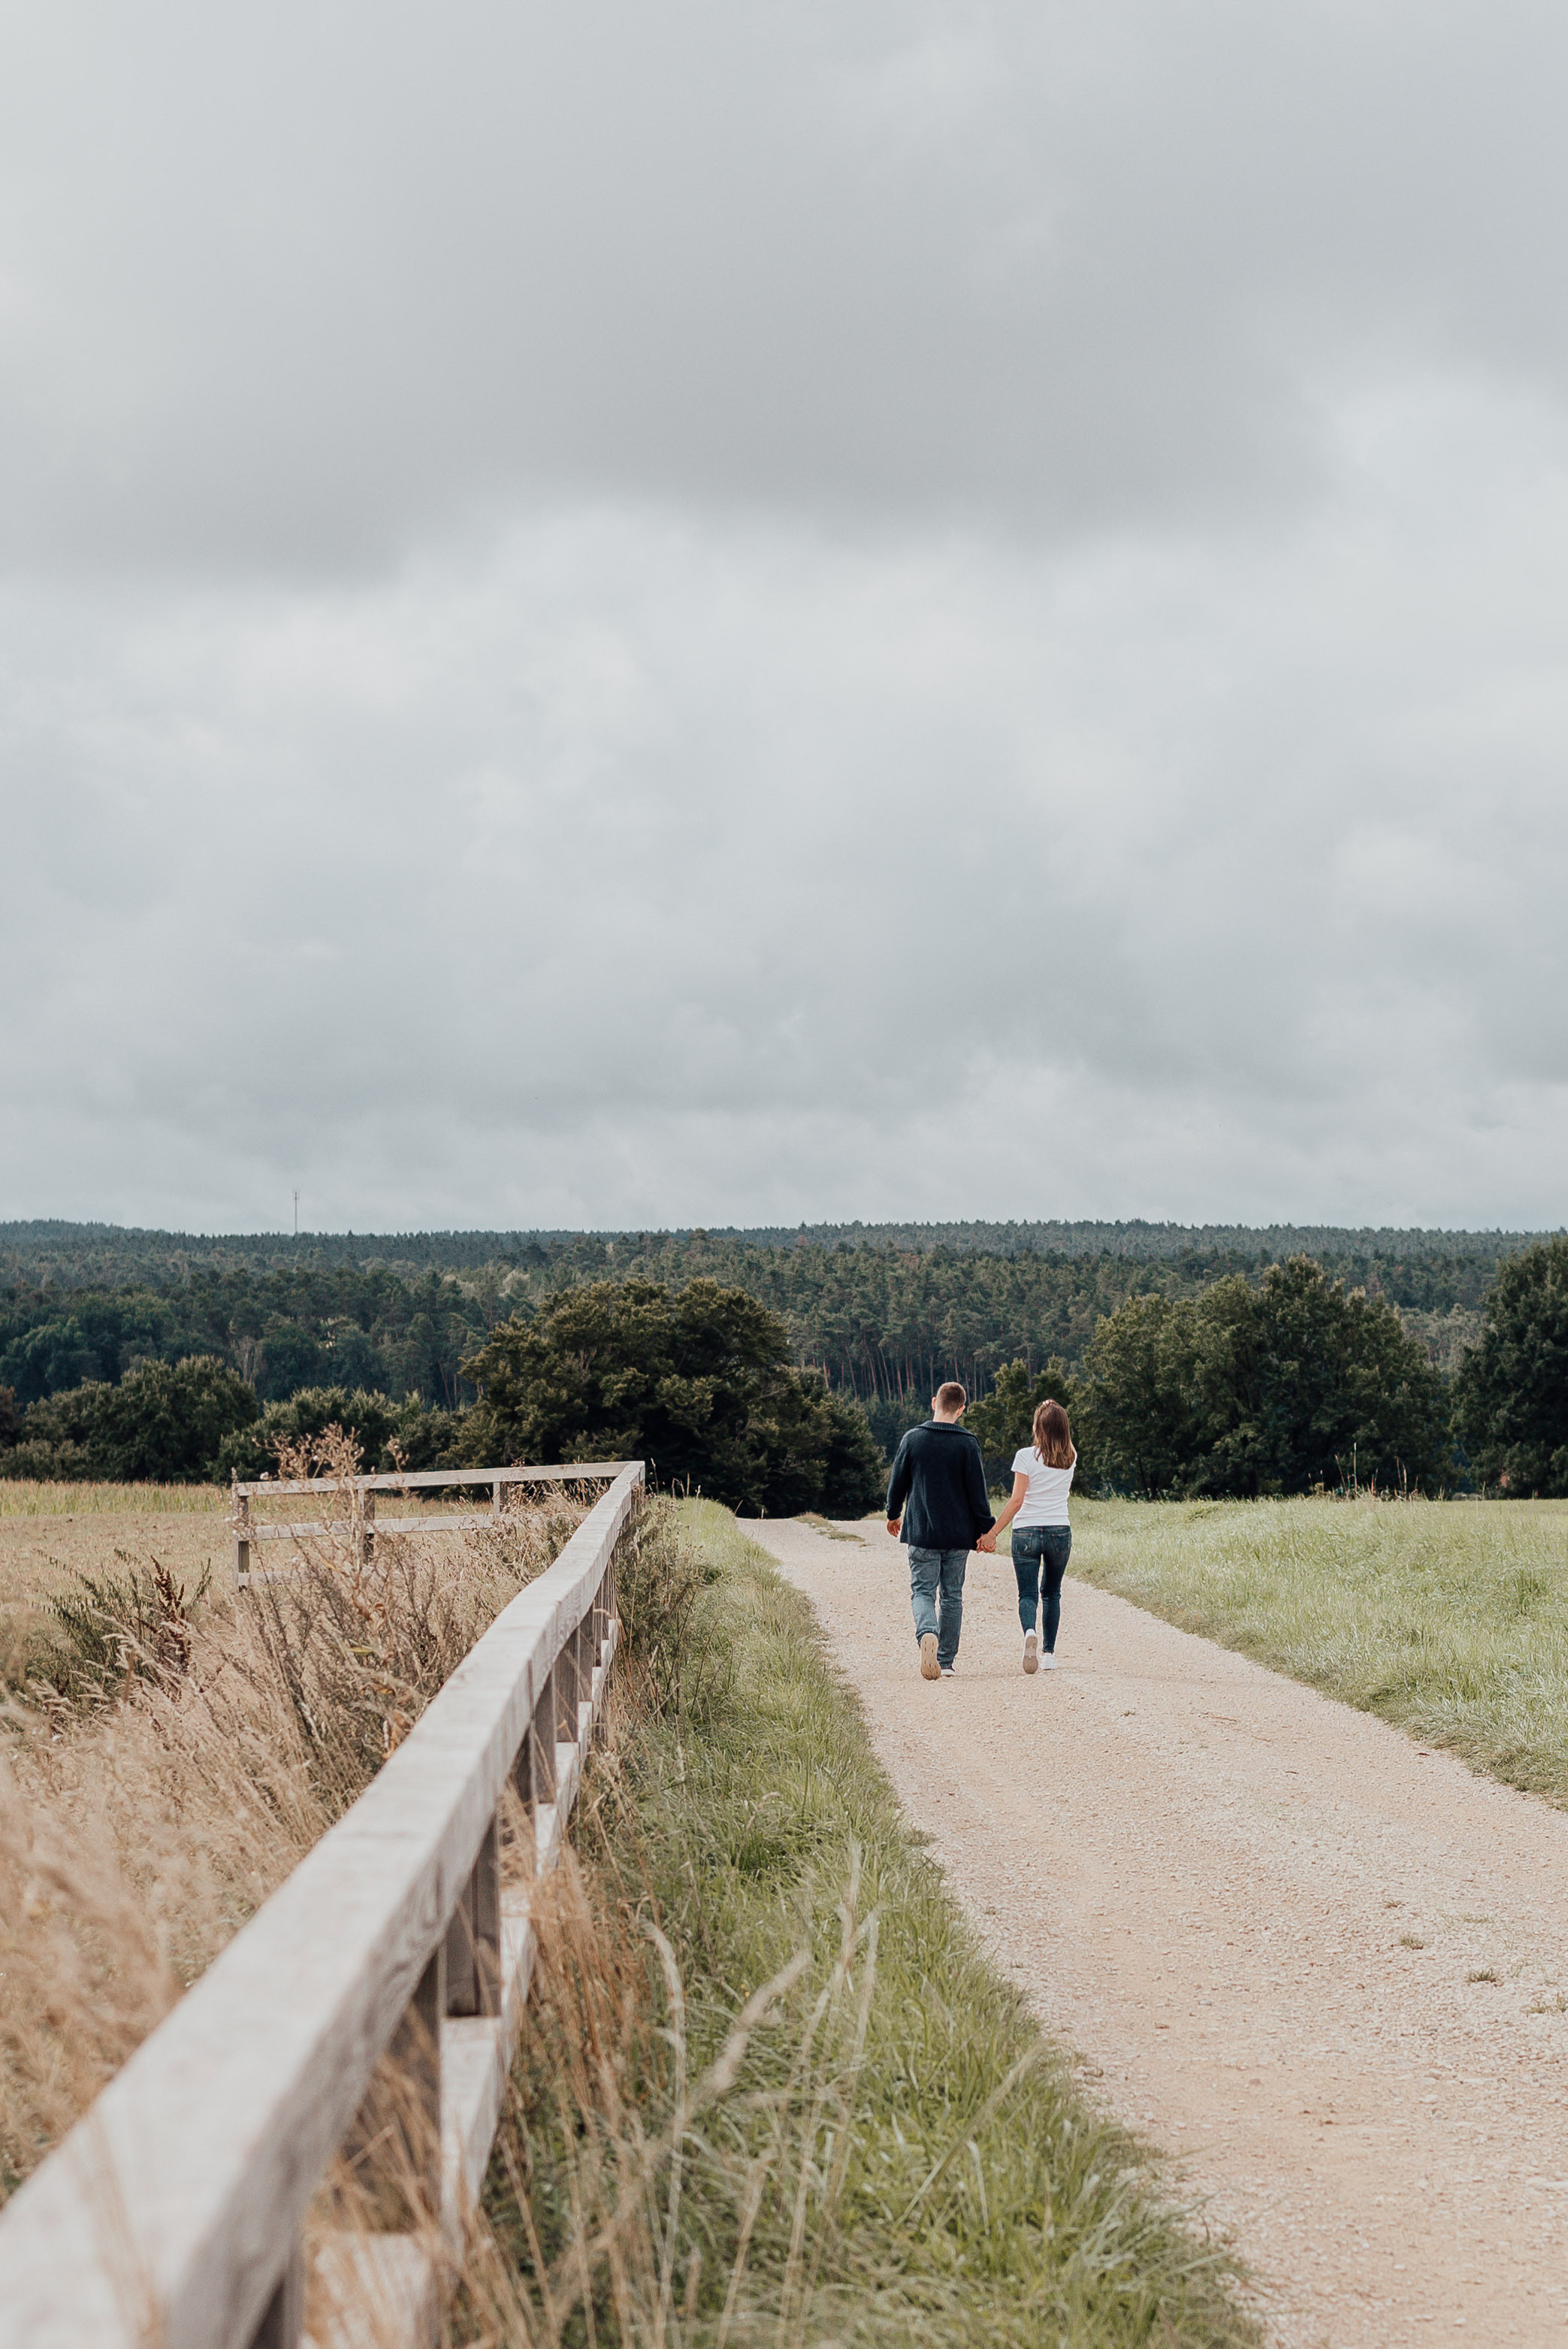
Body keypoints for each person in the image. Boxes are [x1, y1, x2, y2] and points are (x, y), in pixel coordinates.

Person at [885, 1381, 995, 1681]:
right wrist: (987, 1530)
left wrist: (893, 1515)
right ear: (962, 1409)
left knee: (922, 1590)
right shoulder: (968, 1443)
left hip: (921, 1531)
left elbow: (898, 1484)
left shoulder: (913, 1439)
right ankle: (945, 1661)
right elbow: (978, 1495)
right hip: (959, 1536)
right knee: (952, 1596)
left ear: (934, 1402)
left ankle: (927, 1633)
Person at [980, 1398, 1076, 1674]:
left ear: (1038, 1427)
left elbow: (1017, 1501)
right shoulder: (1071, 1457)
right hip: (1059, 1531)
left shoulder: (1025, 1456)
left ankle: (1030, 1632)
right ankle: (1048, 1654)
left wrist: (992, 1533)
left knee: (1028, 1593)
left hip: (1026, 1532)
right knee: (1052, 1593)